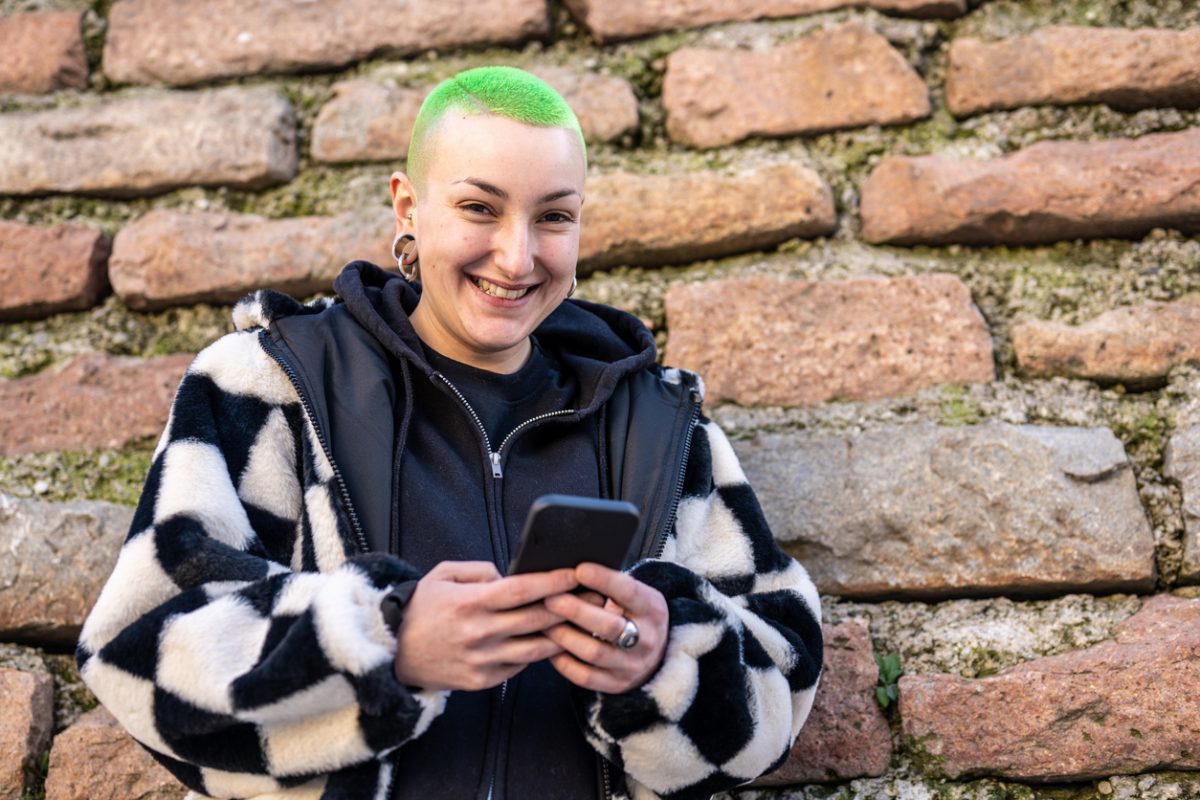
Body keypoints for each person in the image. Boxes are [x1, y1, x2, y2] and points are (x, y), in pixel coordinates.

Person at [76, 66, 823, 800]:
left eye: (554, 217)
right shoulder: (268, 381)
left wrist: (662, 663)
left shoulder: (660, 423)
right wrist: (385, 643)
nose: (517, 255)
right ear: (408, 206)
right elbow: (137, 646)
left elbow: (782, 679)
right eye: (479, 208)